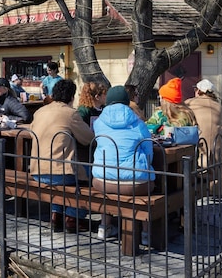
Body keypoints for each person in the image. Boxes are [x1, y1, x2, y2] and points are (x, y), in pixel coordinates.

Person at [30, 79, 95, 233]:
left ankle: (56, 214)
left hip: (37, 170)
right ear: (72, 97)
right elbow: (88, 138)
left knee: (60, 181)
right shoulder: (70, 113)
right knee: (94, 175)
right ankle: (73, 217)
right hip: (61, 173)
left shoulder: (40, 111)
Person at [91, 86, 155, 240]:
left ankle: (104, 227)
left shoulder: (98, 123)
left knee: (106, 188)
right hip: (135, 183)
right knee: (150, 185)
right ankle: (145, 233)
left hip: (103, 181)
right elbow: (149, 151)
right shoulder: (139, 124)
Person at [186, 78, 222, 196]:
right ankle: (217, 190)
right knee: (216, 166)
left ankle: (199, 191)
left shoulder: (190, 103)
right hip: (216, 142)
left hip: (199, 142)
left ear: (198, 91)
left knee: (198, 165)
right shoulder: (218, 106)